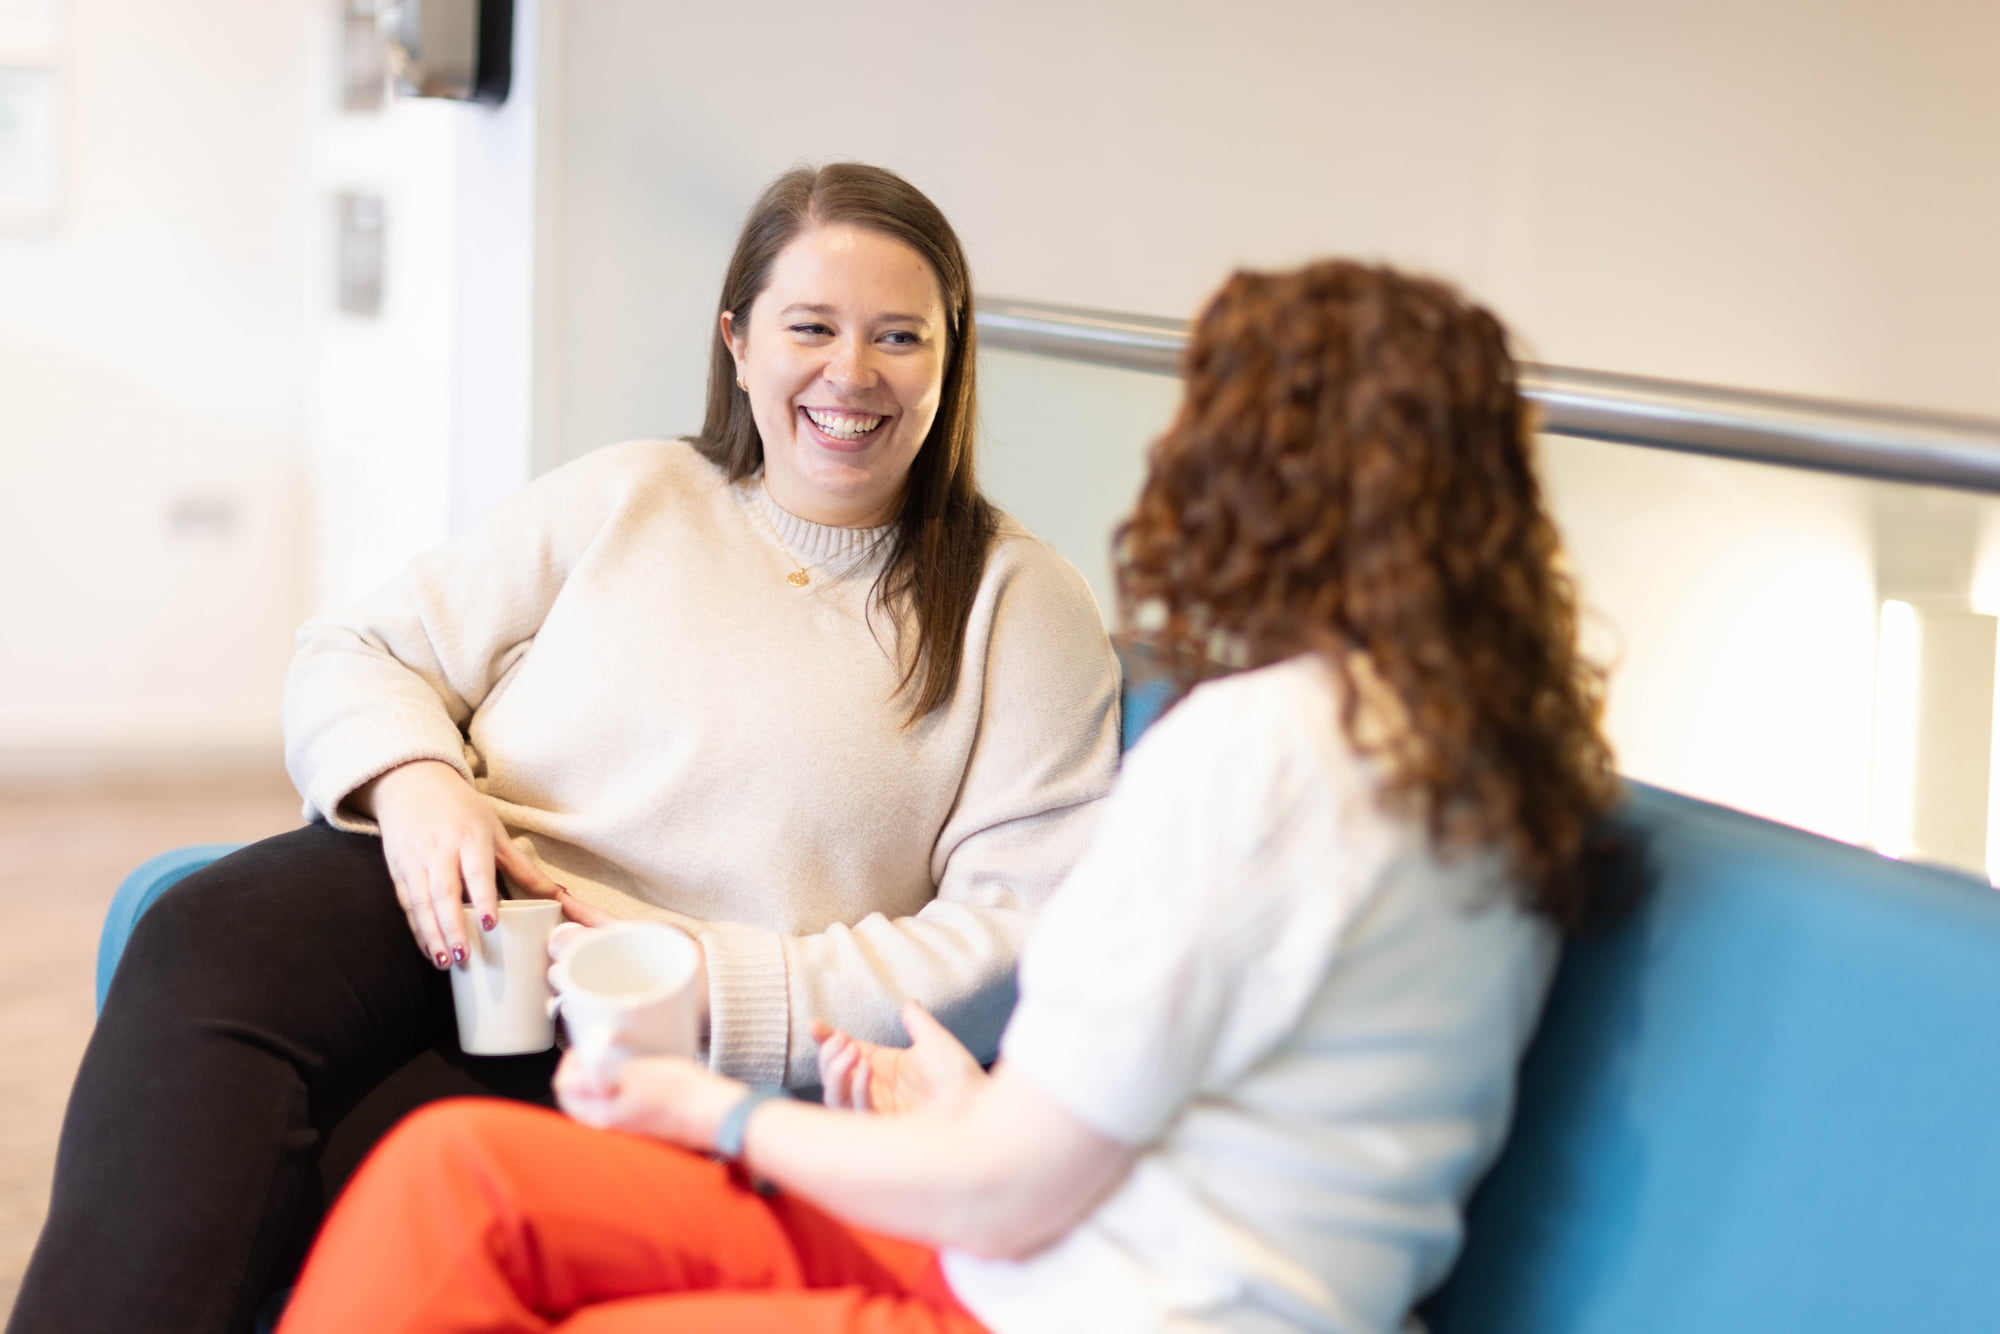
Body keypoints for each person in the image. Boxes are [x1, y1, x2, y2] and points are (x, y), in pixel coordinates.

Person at [267, 258, 1622, 1334]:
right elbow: (1193, 1113)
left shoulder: (1258, 752)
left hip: (1074, 1294)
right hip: (1057, 1242)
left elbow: (1023, 1185)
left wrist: (716, 1111)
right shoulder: (1491, 759)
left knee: (475, 1211)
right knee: (462, 1171)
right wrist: (960, 1097)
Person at [9, 164, 1121, 1334]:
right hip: (452, 896)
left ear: (950, 358)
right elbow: (357, 646)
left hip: (654, 1023)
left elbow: (1018, 932)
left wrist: (721, 990)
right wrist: (418, 781)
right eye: (812, 327)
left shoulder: (1019, 601)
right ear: (737, 341)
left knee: (338, 1162)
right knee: (201, 935)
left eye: (899, 335)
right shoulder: (635, 490)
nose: (852, 373)